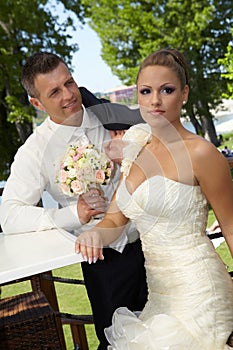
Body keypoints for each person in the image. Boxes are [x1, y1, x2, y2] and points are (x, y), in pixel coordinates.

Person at [76, 48, 233, 350]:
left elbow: (230, 226)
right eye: (146, 91)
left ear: (184, 94)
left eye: (167, 90)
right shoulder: (135, 146)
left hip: (200, 292)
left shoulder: (201, 153)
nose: (155, 101)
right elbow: (115, 218)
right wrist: (95, 233)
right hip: (160, 296)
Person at [0, 52, 147, 349]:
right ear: (37, 104)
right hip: (105, 265)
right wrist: (72, 215)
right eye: (54, 91)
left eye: (69, 82)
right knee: (119, 343)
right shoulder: (35, 151)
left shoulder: (115, 115)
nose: (68, 95)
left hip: (155, 244)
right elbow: (9, 215)